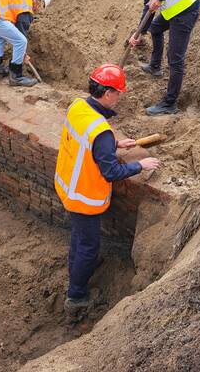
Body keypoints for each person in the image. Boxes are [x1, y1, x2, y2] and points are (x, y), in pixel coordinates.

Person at [54, 64, 159, 313]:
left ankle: (76, 269)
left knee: (79, 237)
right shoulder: (100, 131)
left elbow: (87, 140)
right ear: (108, 92)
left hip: (67, 186)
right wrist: (140, 165)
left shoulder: (78, 106)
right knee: (88, 246)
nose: (120, 98)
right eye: (119, 93)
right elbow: (111, 172)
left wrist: (113, 143)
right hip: (84, 197)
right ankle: (76, 297)